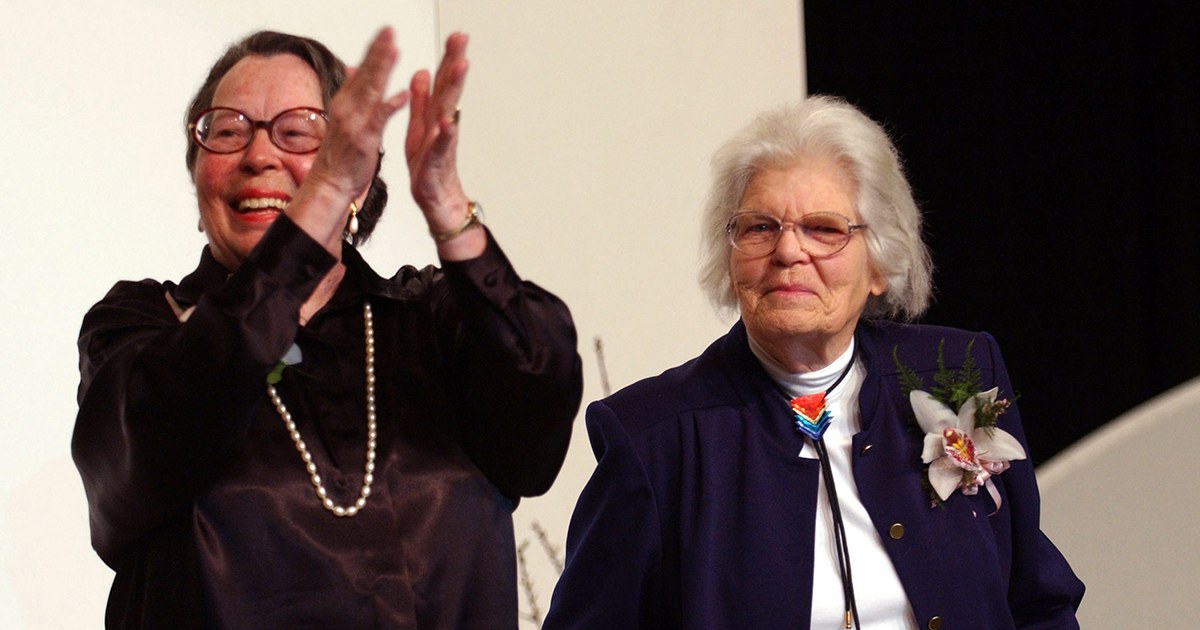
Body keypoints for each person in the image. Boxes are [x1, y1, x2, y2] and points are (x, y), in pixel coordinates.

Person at [72, 27, 582, 628]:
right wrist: (326, 189)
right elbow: (155, 443)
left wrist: (445, 200)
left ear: (364, 176)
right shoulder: (143, 328)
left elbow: (536, 421)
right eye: (228, 131)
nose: (258, 156)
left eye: (297, 132)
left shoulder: (426, 318)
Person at [543, 96, 1083, 629]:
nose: (787, 252)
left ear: (879, 264)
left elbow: (1037, 603)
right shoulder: (656, 439)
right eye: (759, 228)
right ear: (731, 261)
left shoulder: (955, 373)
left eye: (824, 228)